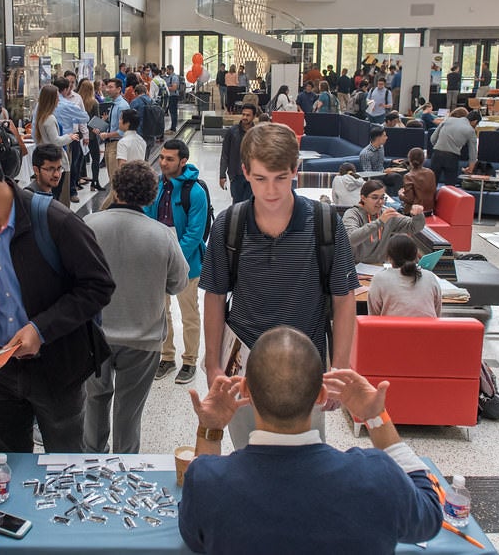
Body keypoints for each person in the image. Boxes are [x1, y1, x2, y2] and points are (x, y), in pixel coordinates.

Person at [0, 131, 114, 453]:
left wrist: (41, 329)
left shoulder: (55, 221)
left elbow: (98, 286)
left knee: (64, 460)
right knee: (7, 464)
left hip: (57, 368)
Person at [179, 327, 442, 554]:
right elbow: (430, 514)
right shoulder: (377, 476)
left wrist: (210, 431)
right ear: (321, 395)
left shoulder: (208, 482)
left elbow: (194, 535)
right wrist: (376, 418)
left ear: (245, 390)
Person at [201, 123, 359, 446]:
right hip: (243, 367)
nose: (271, 191)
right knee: (247, 459)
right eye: (260, 179)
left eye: (280, 179)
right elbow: (215, 297)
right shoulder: (228, 225)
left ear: (295, 170)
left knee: (306, 464)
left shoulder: (326, 225)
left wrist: (340, 367)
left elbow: (344, 300)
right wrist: (212, 365)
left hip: (306, 368)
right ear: (244, 172)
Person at [83, 161, 188, 452]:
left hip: (93, 336)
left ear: (115, 189)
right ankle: (124, 467)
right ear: (151, 196)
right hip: (143, 340)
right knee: (129, 412)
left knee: (94, 402)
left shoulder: (88, 226)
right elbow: (179, 283)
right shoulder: (162, 234)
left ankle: (92, 460)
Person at [148, 139, 208, 385]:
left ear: (183, 161)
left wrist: (173, 259)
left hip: (187, 263)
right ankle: (167, 356)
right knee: (161, 313)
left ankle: (191, 359)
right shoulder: (156, 186)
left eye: (169, 159)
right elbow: (146, 218)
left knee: (189, 313)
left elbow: (194, 233)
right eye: (162, 157)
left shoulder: (195, 192)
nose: (163, 162)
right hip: (157, 260)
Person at [343, 180, 425, 265]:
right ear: (363, 198)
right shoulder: (352, 214)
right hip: (355, 267)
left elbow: (414, 227)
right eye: (375, 197)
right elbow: (351, 239)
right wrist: (380, 222)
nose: (380, 202)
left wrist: (418, 215)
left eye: (382, 197)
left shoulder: (386, 214)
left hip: (379, 266)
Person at [368, 234, 442, 317]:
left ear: (389, 257)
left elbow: (373, 316)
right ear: (416, 255)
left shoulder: (379, 279)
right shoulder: (430, 277)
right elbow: (437, 313)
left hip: (392, 329)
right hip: (428, 329)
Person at [32, 84, 79, 206]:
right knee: (55, 194)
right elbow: (56, 141)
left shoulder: (40, 117)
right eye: (57, 97)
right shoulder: (49, 119)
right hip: (55, 157)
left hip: (46, 157)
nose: (59, 100)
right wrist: (70, 137)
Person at [429, 109, 480, 186]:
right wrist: (470, 168)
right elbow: (473, 152)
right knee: (450, 188)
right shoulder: (471, 131)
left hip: (437, 154)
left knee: (431, 184)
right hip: (452, 157)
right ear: (475, 121)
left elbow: (433, 139)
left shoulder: (447, 120)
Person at [95, 77, 130, 186]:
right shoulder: (113, 104)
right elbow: (113, 125)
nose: (107, 90)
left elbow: (123, 131)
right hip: (109, 144)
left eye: (111, 87)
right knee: (112, 178)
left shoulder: (122, 106)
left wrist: (106, 135)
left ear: (119, 89)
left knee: (116, 181)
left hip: (116, 144)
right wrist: (101, 127)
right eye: (107, 87)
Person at [219, 104, 255, 204]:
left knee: (250, 203)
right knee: (237, 204)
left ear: (253, 117)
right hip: (236, 175)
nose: (245, 117)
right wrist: (222, 175)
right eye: (243, 114)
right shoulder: (232, 132)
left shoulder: (257, 133)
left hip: (252, 174)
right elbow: (225, 154)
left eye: (248, 115)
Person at [358, 125, 404, 197]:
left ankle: (399, 198)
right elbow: (367, 173)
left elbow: (382, 160)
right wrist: (383, 172)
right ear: (378, 138)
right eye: (384, 136)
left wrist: (392, 162)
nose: (387, 138)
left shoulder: (381, 147)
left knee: (397, 176)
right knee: (380, 183)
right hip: (374, 178)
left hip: (383, 174)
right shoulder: (365, 154)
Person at [77, 79, 103, 190]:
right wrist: (104, 121)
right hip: (92, 135)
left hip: (79, 135)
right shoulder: (94, 103)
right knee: (95, 159)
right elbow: (96, 120)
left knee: (78, 159)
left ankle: (77, 181)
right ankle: (95, 182)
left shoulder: (77, 101)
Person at [400, 147, 436, 215]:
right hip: (429, 211)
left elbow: (409, 199)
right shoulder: (431, 172)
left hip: (414, 212)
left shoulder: (408, 176)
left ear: (409, 159)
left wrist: (400, 195)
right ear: (424, 159)